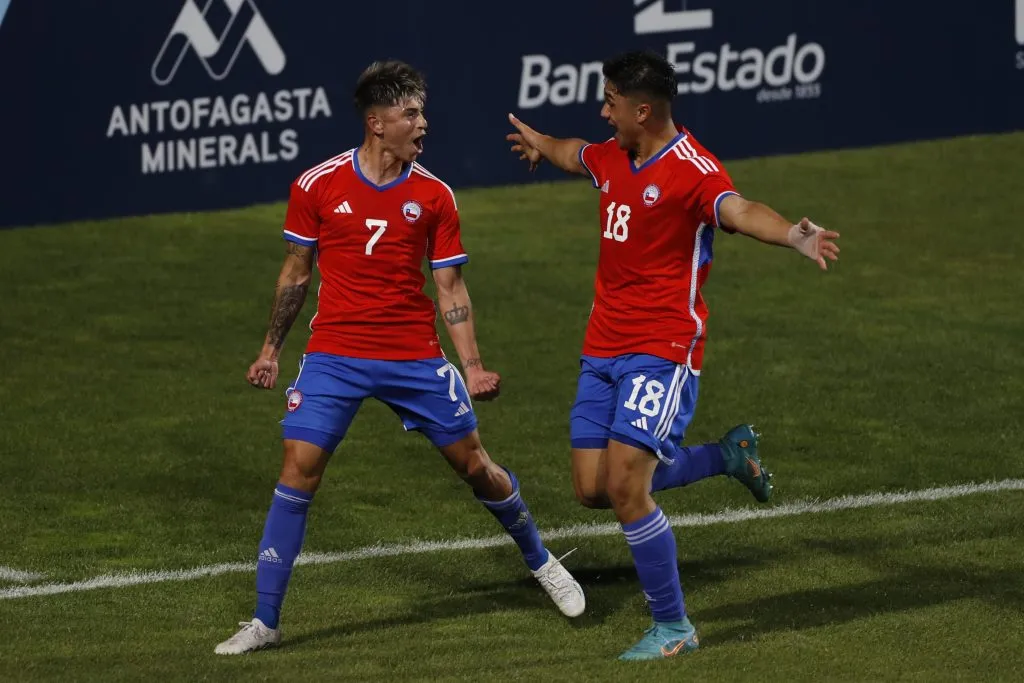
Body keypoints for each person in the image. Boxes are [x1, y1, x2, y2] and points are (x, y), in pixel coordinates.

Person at [215, 60, 585, 655]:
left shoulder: (434, 196)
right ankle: (264, 620)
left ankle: (541, 561)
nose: (422, 123)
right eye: (410, 113)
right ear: (376, 122)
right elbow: (295, 274)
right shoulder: (317, 185)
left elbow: (451, 290)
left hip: (413, 356)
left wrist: (473, 366)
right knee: (297, 468)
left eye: (422, 111)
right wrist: (269, 351)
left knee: (476, 468)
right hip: (334, 353)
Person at [506, 50, 839, 661]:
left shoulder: (692, 168)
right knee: (592, 488)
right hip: (601, 346)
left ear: (642, 109)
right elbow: (572, 151)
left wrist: (793, 233)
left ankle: (674, 626)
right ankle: (726, 456)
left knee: (629, 485)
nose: (603, 111)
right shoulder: (613, 156)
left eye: (610, 102)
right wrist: (541, 144)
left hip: (663, 349)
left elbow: (738, 210)